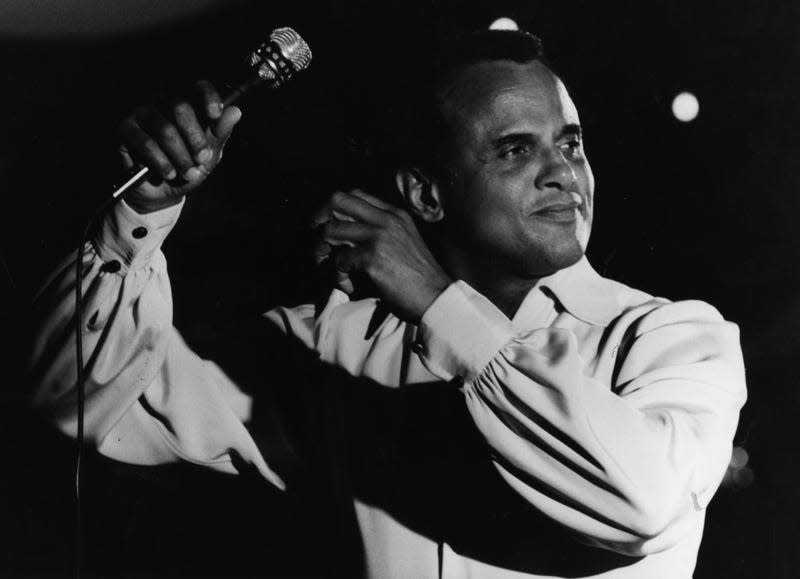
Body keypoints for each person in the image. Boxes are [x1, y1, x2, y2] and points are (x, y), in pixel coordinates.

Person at [27, 29, 746, 578]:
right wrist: (141, 216)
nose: (563, 172)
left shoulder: (673, 336)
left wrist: (437, 301)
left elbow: (641, 501)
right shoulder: (338, 343)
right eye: (516, 150)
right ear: (426, 195)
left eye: (571, 143)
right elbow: (86, 399)